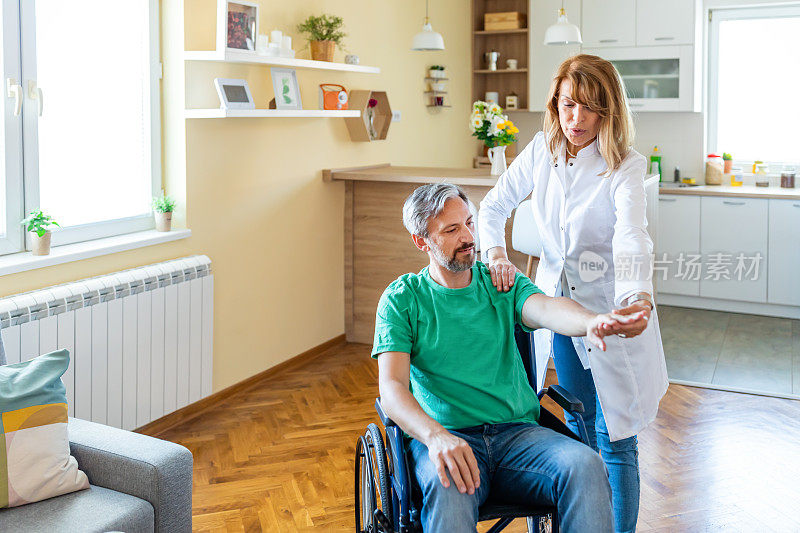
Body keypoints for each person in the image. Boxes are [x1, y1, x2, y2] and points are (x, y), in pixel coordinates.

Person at [373, 183, 647, 532]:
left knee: (586, 465)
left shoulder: (499, 283)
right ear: (421, 240)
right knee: (447, 488)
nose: (469, 236)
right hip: (447, 437)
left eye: (469, 223)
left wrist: (592, 321)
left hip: (518, 436)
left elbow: (548, 308)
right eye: (452, 230)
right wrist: (435, 437)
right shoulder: (403, 299)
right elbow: (392, 387)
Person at [478, 54, 669, 533]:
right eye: (566, 106)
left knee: (616, 438)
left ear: (608, 110)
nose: (576, 119)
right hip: (564, 318)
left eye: (588, 107)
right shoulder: (543, 149)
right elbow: (493, 204)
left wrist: (635, 297)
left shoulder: (624, 165)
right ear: (555, 106)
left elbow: (632, 234)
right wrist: (496, 255)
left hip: (614, 315)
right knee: (583, 432)